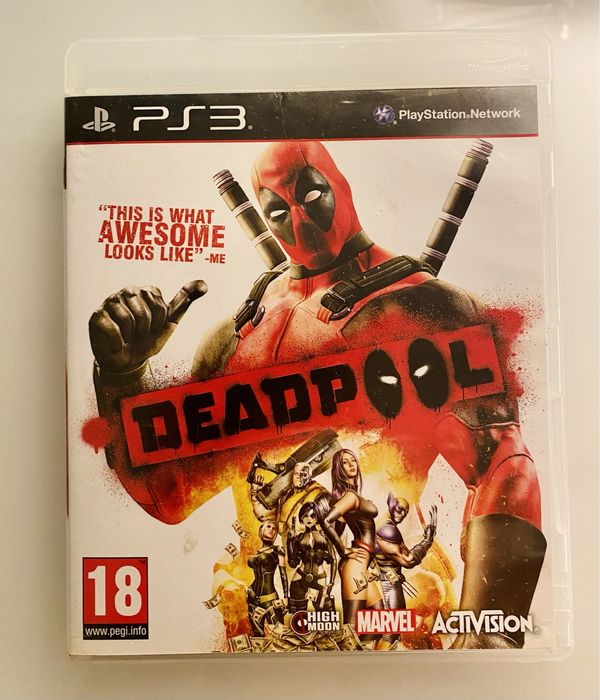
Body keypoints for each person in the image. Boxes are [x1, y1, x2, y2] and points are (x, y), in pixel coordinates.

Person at [89, 140, 546, 647]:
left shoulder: (428, 310)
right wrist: (121, 379)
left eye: (311, 195)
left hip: (382, 630)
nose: (300, 221)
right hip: (260, 634)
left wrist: (489, 629)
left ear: (340, 185)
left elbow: (504, 467)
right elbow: (169, 494)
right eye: (278, 210)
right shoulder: (234, 338)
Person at [319, 448, 383, 626]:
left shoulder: (353, 496)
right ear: (339, 469)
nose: (351, 465)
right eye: (345, 463)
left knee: (379, 622)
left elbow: (338, 528)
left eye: (352, 460)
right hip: (355, 564)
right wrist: (343, 550)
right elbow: (326, 521)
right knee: (352, 626)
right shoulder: (349, 496)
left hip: (362, 564)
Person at [375, 493, 436, 648]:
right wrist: (427, 541)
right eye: (400, 509)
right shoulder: (388, 529)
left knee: (393, 629)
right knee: (392, 630)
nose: (402, 514)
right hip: (388, 584)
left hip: (389, 580)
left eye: (405, 512)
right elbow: (408, 560)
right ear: (391, 505)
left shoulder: (386, 526)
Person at [286, 501, 336, 613]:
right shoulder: (298, 538)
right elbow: (293, 563)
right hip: (299, 580)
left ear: (317, 518)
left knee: (325, 615)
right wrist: (289, 543)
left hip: (319, 580)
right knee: (298, 617)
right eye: (306, 516)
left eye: (312, 516)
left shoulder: (325, 536)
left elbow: (333, 560)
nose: (309, 519)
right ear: (301, 518)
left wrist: (331, 582)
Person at [246, 520, 288, 637]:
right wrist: (248, 590)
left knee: (280, 636)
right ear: (261, 530)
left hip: (270, 600)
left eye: (274, 529)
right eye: (268, 526)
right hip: (253, 600)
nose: (271, 530)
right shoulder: (257, 552)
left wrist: (286, 597)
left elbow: (283, 575)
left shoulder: (278, 550)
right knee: (258, 637)